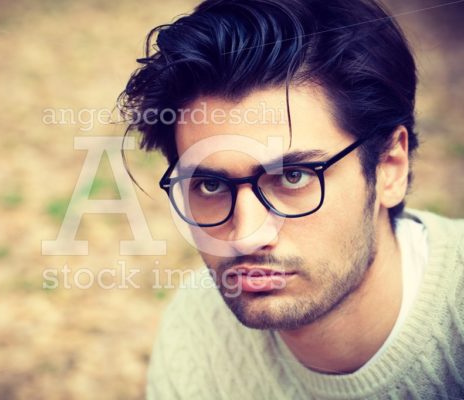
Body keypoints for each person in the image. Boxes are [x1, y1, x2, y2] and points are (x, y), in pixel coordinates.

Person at [118, 0, 464, 398]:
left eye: (293, 177)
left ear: (389, 166)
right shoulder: (198, 331)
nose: (245, 236)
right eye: (211, 186)